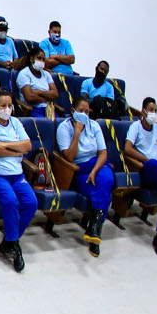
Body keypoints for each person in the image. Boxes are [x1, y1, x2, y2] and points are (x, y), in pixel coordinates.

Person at [0, 89, 36, 272]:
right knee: (10, 201)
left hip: (17, 174)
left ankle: (9, 241)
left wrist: (4, 144)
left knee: (31, 202)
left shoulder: (16, 123)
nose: (7, 109)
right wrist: (16, 149)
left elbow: (27, 146)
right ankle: (14, 244)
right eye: (3, 106)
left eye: (9, 105)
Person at [57, 95, 112, 257]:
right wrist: (77, 132)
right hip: (78, 168)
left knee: (106, 179)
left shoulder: (94, 125)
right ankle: (94, 231)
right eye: (81, 111)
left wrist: (95, 170)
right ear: (73, 111)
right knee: (105, 194)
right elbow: (70, 157)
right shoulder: (64, 127)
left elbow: (103, 153)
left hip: (97, 166)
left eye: (87, 112)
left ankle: (94, 229)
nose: (85, 115)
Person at [124, 97, 157, 255]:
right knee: (153, 164)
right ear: (143, 111)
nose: (153, 113)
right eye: (151, 110)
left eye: (155, 110)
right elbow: (127, 149)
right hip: (144, 170)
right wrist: (148, 161)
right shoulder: (135, 127)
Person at [16, 48, 57, 117]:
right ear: (32, 59)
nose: (41, 61)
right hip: (33, 109)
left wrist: (38, 92)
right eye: (39, 58)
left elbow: (55, 94)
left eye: (43, 59)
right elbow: (30, 98)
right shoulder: (24, 73)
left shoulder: (46, 74)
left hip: (48, 109)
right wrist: (47, 98)